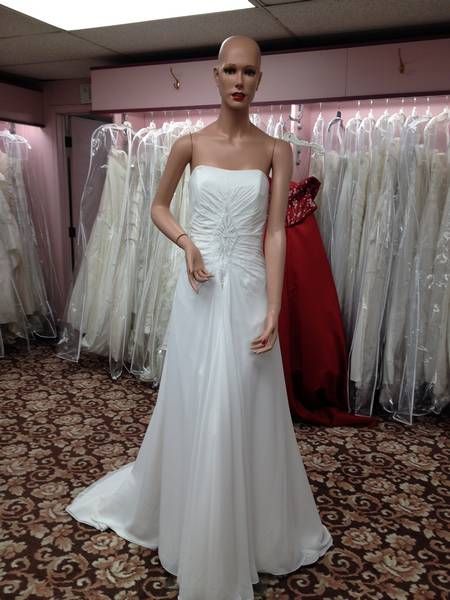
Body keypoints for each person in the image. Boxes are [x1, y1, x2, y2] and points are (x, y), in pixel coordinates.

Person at [66, 35, 333, 600]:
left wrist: (275, 305)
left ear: (260, 80)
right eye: (230, 70)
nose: (239, 81)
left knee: (246, 399)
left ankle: (252, 526)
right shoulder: (188, 144)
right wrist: (187, 242)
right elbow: (158, 206)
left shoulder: (277, 149)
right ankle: (192, 517)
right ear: (216, 75)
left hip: (251, 291)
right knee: (196, 395)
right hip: (200, 287)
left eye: (249, 72)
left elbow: (276, 232)